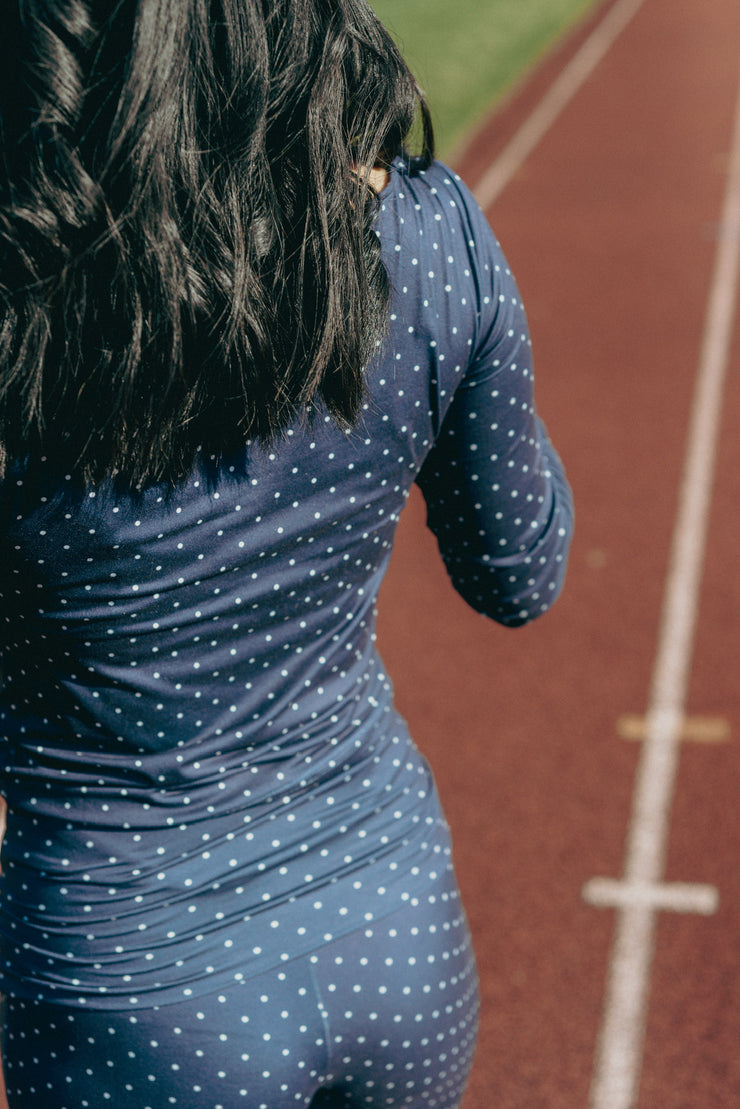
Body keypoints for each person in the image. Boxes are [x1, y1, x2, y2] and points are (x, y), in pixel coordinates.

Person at [0, 1, 573, 1106]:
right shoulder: (431, 238)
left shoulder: (33, 305)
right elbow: (521, 570)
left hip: (132, 978)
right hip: (391, 924)